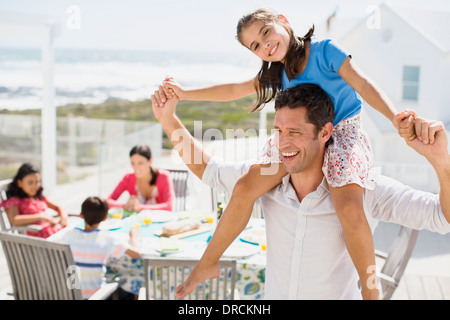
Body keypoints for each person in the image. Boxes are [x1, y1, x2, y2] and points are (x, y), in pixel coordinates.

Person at [155, 7, 418, 299]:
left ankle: (371, 293)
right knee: (244, 188)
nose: (264, 45)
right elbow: (233, 90)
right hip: (300, 140)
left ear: (283, 21)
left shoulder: (325, 51)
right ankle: (208, 263)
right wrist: (184, 93)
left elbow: (363, 84)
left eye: (265, 32)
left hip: (342, 132)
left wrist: (395, 118)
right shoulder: (278, 73)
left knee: (349, 209)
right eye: (255, 45)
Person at [151, 83, 450, 300]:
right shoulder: (266, 180)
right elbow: (209, 169)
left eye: (295, 132)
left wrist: (440, 161)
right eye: (279, 132)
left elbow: (441, 216)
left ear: (325, 132)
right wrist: (168, 119)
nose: (284, 143)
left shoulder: (363, 190)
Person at [51, 196, 140, 299]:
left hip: (70, 295)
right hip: (96, 296)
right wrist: (134, 237)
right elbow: (136, 254)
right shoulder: (107, 238)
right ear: (105, 218)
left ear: (81, 215)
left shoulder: (69, 235)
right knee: (126, 287)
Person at [1, 163, 67, 238]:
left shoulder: (38, 197)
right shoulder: (15, 200)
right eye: (30, 182)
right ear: (19, 183)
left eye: (37, 182)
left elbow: (58, 208)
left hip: (53, 234)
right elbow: (15, 220)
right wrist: (41, 217)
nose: (35, 186)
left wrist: (63, 218)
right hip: (38, 242)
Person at [106, 144, 175, 212]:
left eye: (140, 163)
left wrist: (140, 207)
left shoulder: (164, 177)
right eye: (133, 163)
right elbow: (107, 202)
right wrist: (125, 206)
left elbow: (169, 206)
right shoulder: (128, 178)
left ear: (150, 161)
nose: (136, 168)